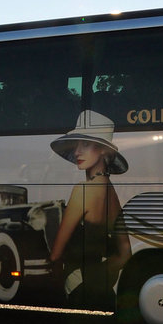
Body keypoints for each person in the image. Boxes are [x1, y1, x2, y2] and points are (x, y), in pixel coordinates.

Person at [48, 111, 132, 310]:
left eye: (85, 144)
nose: (77, 151)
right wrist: (101, 277)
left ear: (103, 149)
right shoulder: (110, 191)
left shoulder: (82, 191)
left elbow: (55, 255)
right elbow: (125, 253)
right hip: (104, 291)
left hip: (79, 287)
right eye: (76, 144)